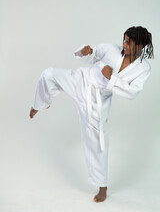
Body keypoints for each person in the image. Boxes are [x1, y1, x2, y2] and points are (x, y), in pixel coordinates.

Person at [29, 26, 154, 203]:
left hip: (97, 100)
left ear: (140, 46)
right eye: (124, 40)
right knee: (48, 74)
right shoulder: (112, 49)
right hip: (81, 80)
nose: (124, 45)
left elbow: (133, 92)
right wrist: (85, 51)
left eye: (129, 42)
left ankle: (102, 186)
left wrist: (112, 79)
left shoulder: (143, 69)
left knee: (97, 141)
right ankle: (41, 103)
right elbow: (94, 54)